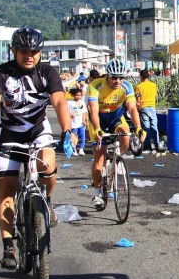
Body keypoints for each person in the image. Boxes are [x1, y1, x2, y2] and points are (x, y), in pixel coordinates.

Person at [0, 27, 76, 269]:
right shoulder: (1, 73)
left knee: (48, 164)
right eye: (23, 51)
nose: (29, 55)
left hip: (38, 131)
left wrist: (68, 131)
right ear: (14, 51)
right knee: (7, 189)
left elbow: (60, 101)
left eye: (34, 51)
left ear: (40, 52)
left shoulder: (47, 72)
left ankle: (47, 201)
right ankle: (9, 246)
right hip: (9, 134)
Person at [87, 59, 145, 209]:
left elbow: (132, 109)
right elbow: (93, 110)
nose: (117, 81)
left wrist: (138, 128)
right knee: (99, 157)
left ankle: (116, 158)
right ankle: (98, 193)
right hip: (98, 119)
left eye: (121, 77)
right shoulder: (96, 85)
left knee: (126, 134)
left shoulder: (126, 87)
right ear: (107, 75)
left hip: (115, 118)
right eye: (114, 77)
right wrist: (98, 128)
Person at [135, 69, 165, 151]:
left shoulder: (138, 87)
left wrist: (136, 108)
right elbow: (155, 96)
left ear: (141, 76)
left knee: (146, 127)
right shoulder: (153, 85)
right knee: (154, 126)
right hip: (152, 107)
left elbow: (138, 100)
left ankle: (147, 145)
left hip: (143, 107)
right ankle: (157, 145)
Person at [67, 88, 88, 155]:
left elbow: (84, 112)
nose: (78, 97)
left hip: (81, 123)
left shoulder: (82, 102)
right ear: (73, 95)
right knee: (74, 137)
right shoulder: (69, 102)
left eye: (80, 95)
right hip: (73, 123)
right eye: (77, 95)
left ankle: (81, 149)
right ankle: (74, 149)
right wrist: (70, 114)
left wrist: (84, 120)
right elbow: (65, 111)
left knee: (82, 136)